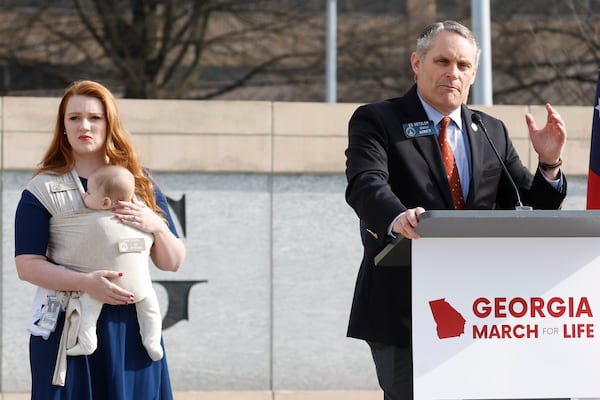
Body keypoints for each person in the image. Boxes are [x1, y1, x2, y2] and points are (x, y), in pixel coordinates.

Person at [344, 20, 567, 400]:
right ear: (417, 63)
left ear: (474, 73)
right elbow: (366, 183)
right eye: (442, 61)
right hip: (403, 309)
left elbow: (531, 202)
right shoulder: (378, 120)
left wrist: (549, 163)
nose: (453, 73)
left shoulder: (490, 129)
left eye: (463, 65)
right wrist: (398, 217)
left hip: (476, 309)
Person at [14, 80, 186, 399]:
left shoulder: (140, 184)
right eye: (74, 117)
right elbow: (27, 265)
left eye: (95, 117)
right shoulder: (41, 189)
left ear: (110, 123)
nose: (85, 125)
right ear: (62, 127)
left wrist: (156, 225)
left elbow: (172, 261)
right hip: (69, 326)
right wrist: (87, 283)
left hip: (132, 329)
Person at [39, 164, 163, 363]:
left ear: (105, 202)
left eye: (88, 192)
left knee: (88, 311)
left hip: (102, 285)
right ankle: (153, 341)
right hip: (140, 287)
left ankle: (87, 342)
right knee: (151, 310)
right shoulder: (139, 219)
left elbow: (69, 250)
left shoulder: (90, 222)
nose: (83, 196)